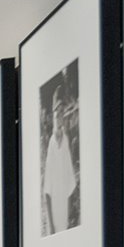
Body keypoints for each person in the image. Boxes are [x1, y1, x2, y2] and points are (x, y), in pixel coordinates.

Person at [41, 77, 79, 235]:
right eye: (57, 113)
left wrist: (70, 211)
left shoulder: (65, 140)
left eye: (62, 113)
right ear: (53, 115)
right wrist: (50, 224)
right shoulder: (51, 144)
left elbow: (70, 180)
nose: (59, 118)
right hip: (54, 203)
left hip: (63, 202)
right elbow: (47, 190)